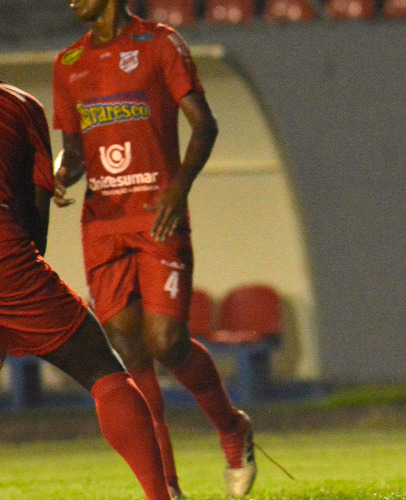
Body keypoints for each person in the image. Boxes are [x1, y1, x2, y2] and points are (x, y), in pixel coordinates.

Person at [51, 0, 256, 497]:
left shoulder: (160, 43)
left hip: (156, 215)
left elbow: (204, 123)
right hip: (103, 224)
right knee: (127, 348)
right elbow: (75, 149)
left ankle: (232, 427)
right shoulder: (69, 63)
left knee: (166, 340)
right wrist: (60, 173)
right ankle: (166, 486)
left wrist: (179, 187)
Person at [0, 80, 174, 500]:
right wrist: (21, 285)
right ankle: (160, 496)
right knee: (102, 369)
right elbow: (36, 207)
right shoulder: (17, 104)